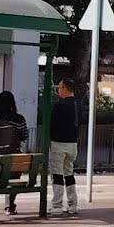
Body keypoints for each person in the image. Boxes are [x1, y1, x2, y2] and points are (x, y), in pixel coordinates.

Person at [0, 91, 28, 215]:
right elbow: (25, 135)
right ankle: (9, 206)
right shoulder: (18, 119)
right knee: (13, 179)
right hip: (13, 159)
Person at [50, 78, 80, 217]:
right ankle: (73, 204)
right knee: (69, 173)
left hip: (59, 143)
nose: (58, 90)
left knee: (57, 174)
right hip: (73, 144)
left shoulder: (59, 105)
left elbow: (53, 125)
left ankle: (57, 205)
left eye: (60, 88)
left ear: (66, 89)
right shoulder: (77, 105)